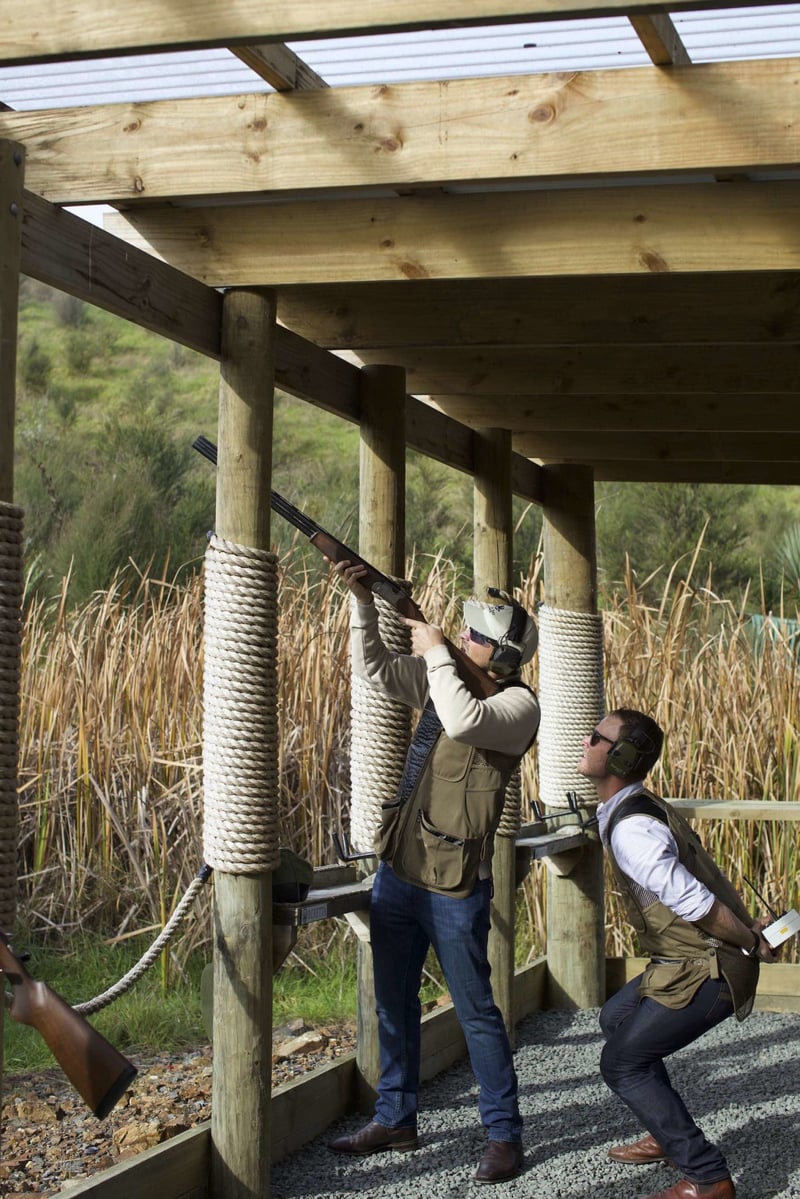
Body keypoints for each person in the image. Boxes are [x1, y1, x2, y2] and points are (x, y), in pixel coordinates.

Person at [328, 561, 540, 1184]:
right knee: (392, 1001)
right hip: (401, 870)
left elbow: (464, 722)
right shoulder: (448, 676)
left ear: (499, 655)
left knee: (476, 1012)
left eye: (474, 633)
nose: (461, 634)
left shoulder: (517, 705)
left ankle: (504, 1134)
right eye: (463, 630)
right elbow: (371, 670)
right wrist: (363, 604)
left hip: (455, 887)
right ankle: (395, 1117)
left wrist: (435, 650)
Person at [578, 707, 776, 1199]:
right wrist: (748, 927)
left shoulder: (632, 829)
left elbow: (701, 905)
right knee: (616, 1020)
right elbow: (703, 885)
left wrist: (750, 941)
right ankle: (666, 1132)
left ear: (620, 756)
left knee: (621, 1064)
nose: (585, 741)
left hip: (707, 969)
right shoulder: (636, 806)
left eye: (596, 737)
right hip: (683, 961)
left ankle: (708, 1179)